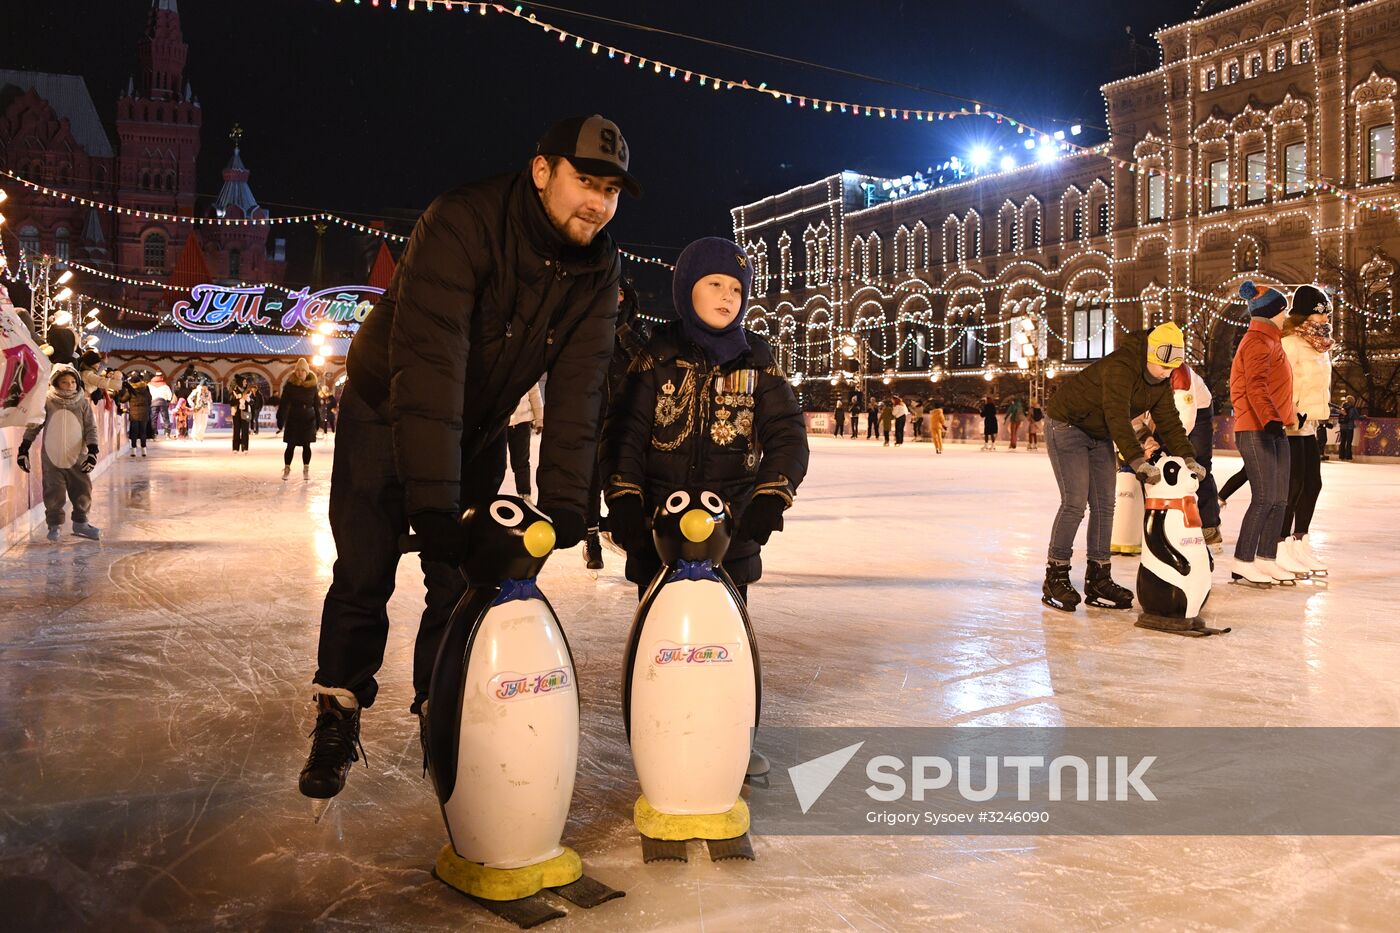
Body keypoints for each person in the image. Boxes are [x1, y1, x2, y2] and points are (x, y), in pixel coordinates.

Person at [300, 114, 639, 802]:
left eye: (611, 190)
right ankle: (338, 711)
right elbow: (430, 361)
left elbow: (581, 385)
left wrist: (571, 500)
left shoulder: (598, 270)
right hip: (384, 404)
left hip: (479, 425)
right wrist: (432, 499)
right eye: (585, 181)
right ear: (542, 170)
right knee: (365, 570)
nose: (598, 203)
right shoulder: (463, 222)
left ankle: (440, 705)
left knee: (458, 582)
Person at [605, 236, 809, 602]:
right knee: (659, 641)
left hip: (731, 532)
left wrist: (772, 495)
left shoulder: (756, 359)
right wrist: (624, 496)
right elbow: (625, 431)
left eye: (736, 288)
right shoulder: (656, 355)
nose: (727, 296)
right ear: (686, 288)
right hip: (658, 529)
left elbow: (787, 433)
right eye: (715, 284)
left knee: (725, 641)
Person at [1040, 322, 1204, 612]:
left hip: (1098, 432)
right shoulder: (1122, 367)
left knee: (1105, 505)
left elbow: (1169, 421)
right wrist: (1137, 459)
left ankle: (1099, 577)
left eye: (1172, 367)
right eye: (1163, 366)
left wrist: (1188, 457)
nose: (1167, 373)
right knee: (1075, 502)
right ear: (1150, 355)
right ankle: (1056, 575)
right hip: (1067, 424)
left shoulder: (1160, 381)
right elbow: (1117, 415)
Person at [1228, 281, 1297, 587]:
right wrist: (1271, 419)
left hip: (1273, 425)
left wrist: (1290, 417)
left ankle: (1266, 559)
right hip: (1256, 428)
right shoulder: (1257, 341)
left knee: (1280, 499)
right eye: (1283, 310)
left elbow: (1277, 388)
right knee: (1264, 497)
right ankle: (1243, 560)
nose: (1286, 316)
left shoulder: (1272, 341)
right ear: (1271, 313)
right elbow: (1255, 385)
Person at [586, 280, 650, 571]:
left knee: (627, 479)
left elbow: (650, 365)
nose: (617, 298)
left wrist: (625, 334)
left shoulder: (638, 331)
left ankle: (624, 532)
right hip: (595, 418)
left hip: (629, 421)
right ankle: (592, 540)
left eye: (621, 293)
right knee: (592, 482)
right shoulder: (591, 328)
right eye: (612, 292)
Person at [1277, 285, 1334, 576]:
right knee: (1294, 485)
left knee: (1313, 484)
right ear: (1305, 314)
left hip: (1309, 423)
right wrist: (1292, 410)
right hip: (1291, 423)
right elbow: (1284, 381)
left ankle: (1301, 541)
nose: (1325, 320)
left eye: (1326, 314)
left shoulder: (1320, 343)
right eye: (1320, 314)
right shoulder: (1290, 342)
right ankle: (1280, 545)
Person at [17, 364, 101, 542]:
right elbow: (34, 425)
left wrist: (93, 451)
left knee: (82, 489)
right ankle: (54, 524)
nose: (70, 385)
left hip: (77, 456)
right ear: (56, 382)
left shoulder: (82, 403)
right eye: (65, 382)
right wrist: (24, 448)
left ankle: (81, 523)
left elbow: (90, 428)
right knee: (53, 492)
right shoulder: (47, 401)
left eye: (72, 382)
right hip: (52, 458)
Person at [278, 360, 322, 480]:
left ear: (307, 372)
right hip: (294, 417)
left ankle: (306, 468)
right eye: (297, 370)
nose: (299, 373)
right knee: (290, 445)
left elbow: (316, 404)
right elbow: (284, 403)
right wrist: (280, 419)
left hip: (308, 418)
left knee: (306, 445)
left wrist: (319, 420)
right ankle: (287, 468)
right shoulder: (290, 385)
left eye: (302, 370)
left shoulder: (312, 386)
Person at [506, 381, 545, 500]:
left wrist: (539, 419)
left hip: (522, 421)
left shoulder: (526, 365)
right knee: (497, 463)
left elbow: (534, 392)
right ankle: (490, 496)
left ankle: (525, 495)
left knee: (521, 462)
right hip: (500, 421)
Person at [116, 370, 152, 458]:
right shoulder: (146, 389)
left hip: (134, 415)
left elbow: (123, 400)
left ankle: (134, 451)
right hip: (144, 414)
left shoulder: (131, 390)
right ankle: (144, 451)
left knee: (134, 433)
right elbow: (149, 400)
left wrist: (117, 395)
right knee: (143, 432)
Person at [230, 379, 254, 452]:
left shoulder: (249, 392)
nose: (245, 383)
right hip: (236, 413)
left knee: (245, 430)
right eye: (244, 382)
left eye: (246, 382)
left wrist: (248, 400)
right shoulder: (234, 392)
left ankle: (245, 447)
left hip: (246, 413)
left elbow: (252, 402)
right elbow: (231, 402)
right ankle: (235, 448)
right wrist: (239, 399)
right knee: (236, 430)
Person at [148, 371, 173, 438]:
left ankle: (154, 434)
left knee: (153, 419)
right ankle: (167, 433)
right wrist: (168, 400)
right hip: (163, 402)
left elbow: (147, 395)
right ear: (161, 376)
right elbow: (169, 396)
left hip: (153, 403)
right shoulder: (165, 385)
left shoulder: (149, 385)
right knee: (165, 418)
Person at [1339, 395, 1360, 461]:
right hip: (1349, 427)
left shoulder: (1342, 407)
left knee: (1342, 441)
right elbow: (1356, 416)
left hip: (1342, 427)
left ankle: (1341, 456)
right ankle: (1348, 457)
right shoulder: (1352, 408)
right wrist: (1363, 417)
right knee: (1349, 442)